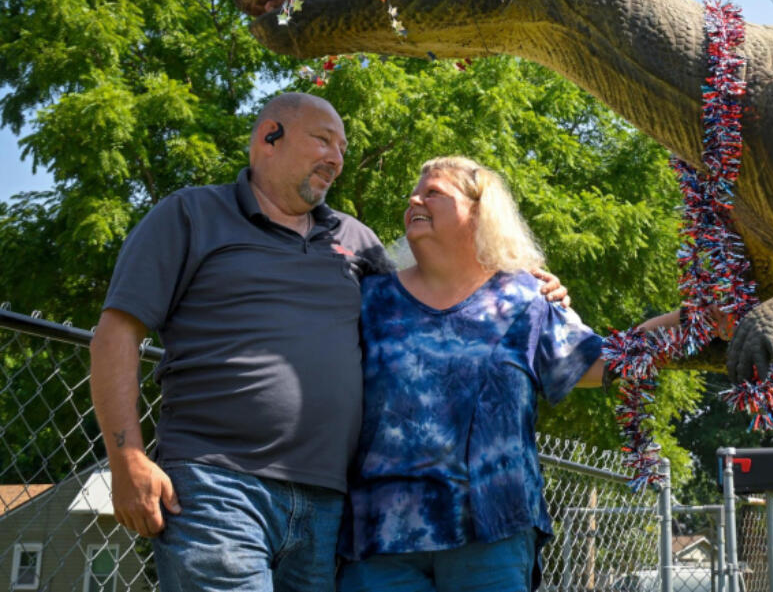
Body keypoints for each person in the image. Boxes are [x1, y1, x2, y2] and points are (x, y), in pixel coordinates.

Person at [89, 94, 566, 592]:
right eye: (323, 140)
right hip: (217, 483)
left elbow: (437, 286)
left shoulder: (356, 240)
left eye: (342, 146)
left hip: (328, 504)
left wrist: (514, 275)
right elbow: (115, 335)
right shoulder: (190, 215)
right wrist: (127, 460)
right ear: (270, 136)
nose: (337, 159)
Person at [336, 156, 681, 592]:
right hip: (379, 538)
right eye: (415, 191)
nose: (414, 198)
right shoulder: (369, 299)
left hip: (492, 535)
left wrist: (687, 321)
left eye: (434, 192)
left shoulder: (525, 299)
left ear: (480, 213)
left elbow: (601, 362)